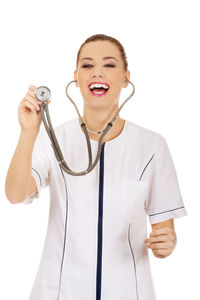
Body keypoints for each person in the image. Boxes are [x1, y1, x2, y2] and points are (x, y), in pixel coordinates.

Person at [5, 34, 187, 300]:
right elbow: (15, 194)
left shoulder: (152, 147)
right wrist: (28, 132)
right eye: (87, 65)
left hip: (128, 291)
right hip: (58, 291)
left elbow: (165, 230)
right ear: (76, 78)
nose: (97, 72)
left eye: (109, 65)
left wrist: (167, 244)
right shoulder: (53, 139)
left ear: (126, 77)